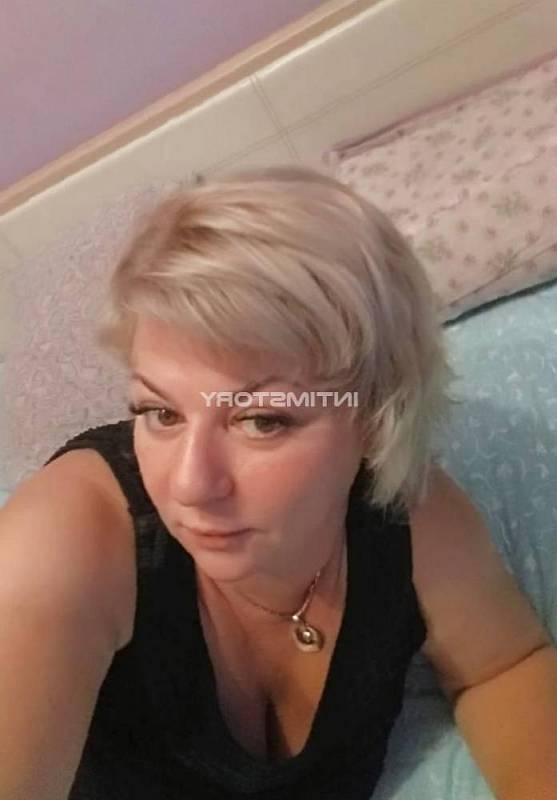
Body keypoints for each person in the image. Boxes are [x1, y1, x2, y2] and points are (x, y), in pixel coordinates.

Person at [1, 165, 556, 800]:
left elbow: (502, 666)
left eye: (262, 420)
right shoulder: (61, 543)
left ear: (375, 418)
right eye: (160, 412)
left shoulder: (406, 516)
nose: (190, 485)